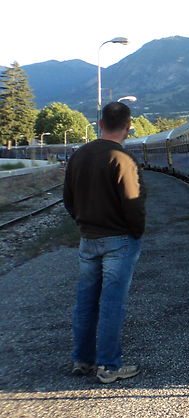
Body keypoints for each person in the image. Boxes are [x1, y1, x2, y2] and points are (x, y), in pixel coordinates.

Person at [63, 101, 146, 384]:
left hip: (88, 240)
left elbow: (68, 199)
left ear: (99, 124)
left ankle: (82, 360)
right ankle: (109, 366)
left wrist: (83, 222)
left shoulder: (78, 155)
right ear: (128, 127)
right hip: (119, 241)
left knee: (85, 302)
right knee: (112, 304)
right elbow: (134, 205)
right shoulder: (123, 158)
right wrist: (136, 232)